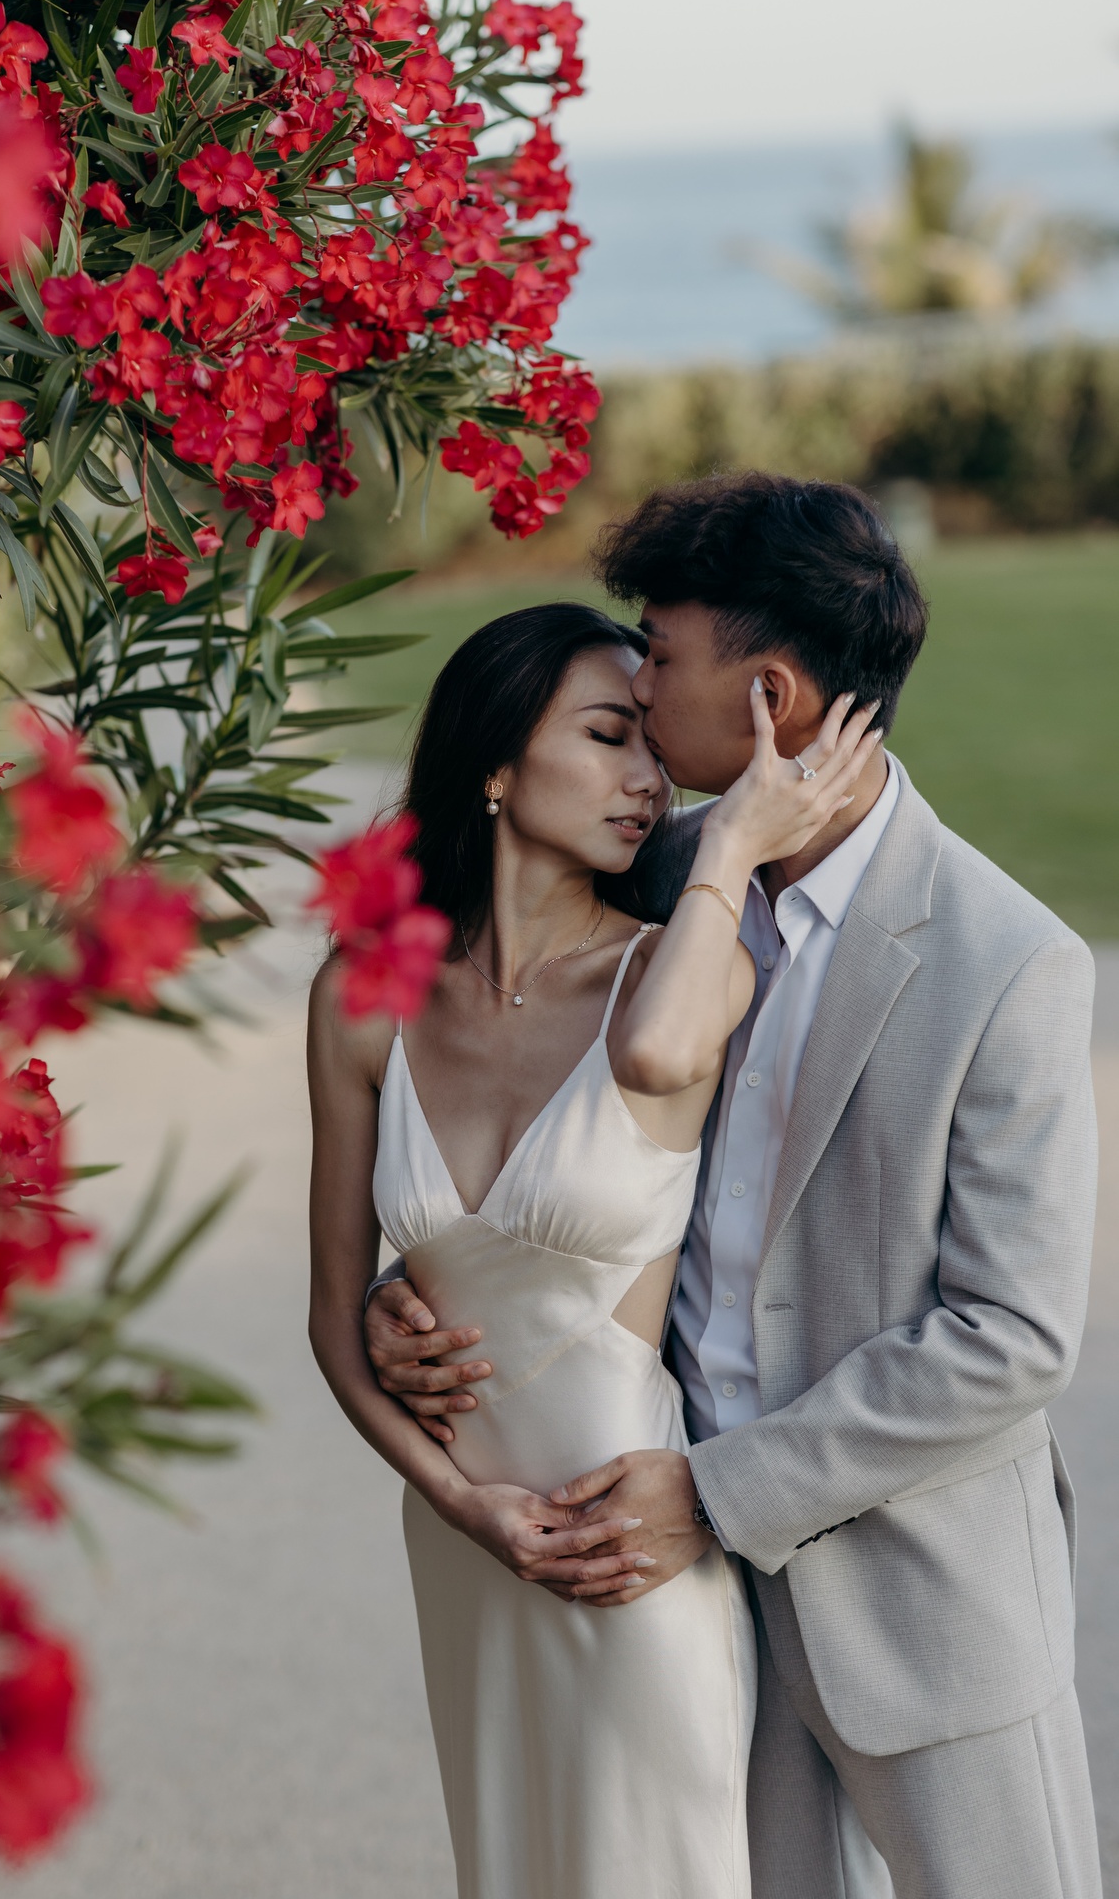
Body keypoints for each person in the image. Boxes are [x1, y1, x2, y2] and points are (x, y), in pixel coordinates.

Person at [364, 473, 1101, 1899]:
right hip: (683, 1617)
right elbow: (547, 1126)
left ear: (770, 699)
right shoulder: (660, 872)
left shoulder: (1005, 965)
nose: (636, 686)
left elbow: (1008, 1340)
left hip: (922, 1604)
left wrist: (713, 1491)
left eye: (660, 653)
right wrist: (427, 1282)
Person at [309, 595, 884, 1899]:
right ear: (497, 763)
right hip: (466, 1548)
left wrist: (731, 839)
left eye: (648, 742)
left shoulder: (668, 972)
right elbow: (331, 1313)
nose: (649, 779)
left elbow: (661, 1058)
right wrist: (465, 1507)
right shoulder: (361, 995)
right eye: (607, 735)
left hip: (627, 1552)